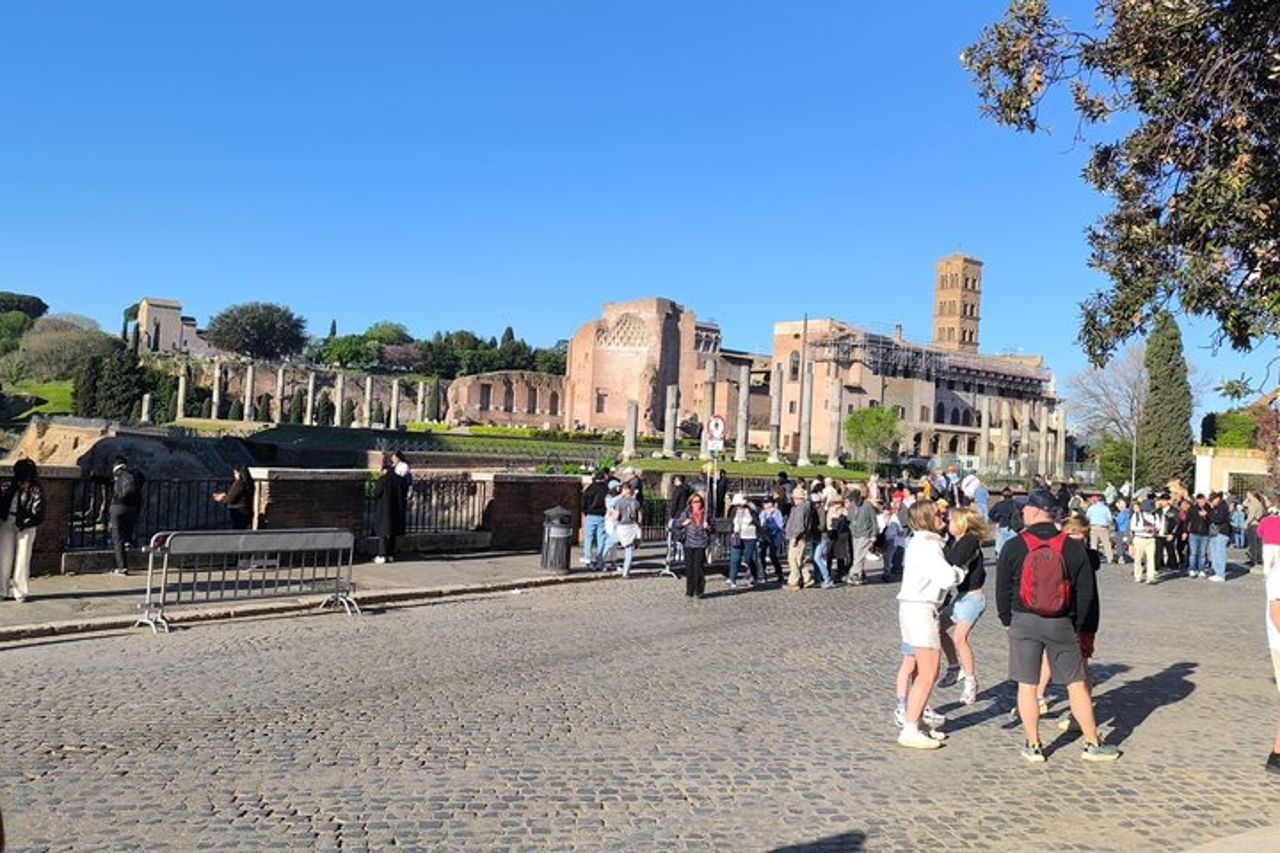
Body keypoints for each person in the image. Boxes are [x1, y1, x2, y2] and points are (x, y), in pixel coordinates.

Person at [996, 488, 1120, 763]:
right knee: (1076, 685)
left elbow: (1002, 588)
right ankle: (1091, 743)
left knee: (1027, 686)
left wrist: (1007, 620)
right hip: (1062, 622)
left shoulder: (1014, 545)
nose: (1023, 511)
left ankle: (1033, 744)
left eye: (1026, 507)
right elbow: (1086, 593)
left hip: (1023, 621)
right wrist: (1080, 626)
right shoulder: (1072, 548)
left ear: (1035, 511)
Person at [895, 502, 967, 750]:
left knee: (919, 670)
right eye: (937, 514)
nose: (943, 517)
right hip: (921, 607)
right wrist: (960, 571)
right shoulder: (928, 545)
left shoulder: (919, 542)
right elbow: (946, 577)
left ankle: (917, 722)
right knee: (929, 670)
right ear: (927, 518)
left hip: (914, 606)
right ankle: (911, 726)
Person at [1054, 516, 1102, 733]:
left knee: (1079, 670)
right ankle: (1079, 712)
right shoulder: (1080, 554)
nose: (1072, 536)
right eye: (1068, 532)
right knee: (1078, 669)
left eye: (1076, 531)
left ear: (1084, 534)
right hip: (1077, 618)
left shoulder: (1080, 556)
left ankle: (1079, 716)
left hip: (1081, 620)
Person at [938, 506, 989, 706]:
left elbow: (955, 560)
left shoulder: (970, 540)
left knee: (960, 638)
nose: (947, 523)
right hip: (960, 596)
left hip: (973, 597)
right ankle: (954, 666)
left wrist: (940, 545)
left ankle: (970, 682)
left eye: (950, 520)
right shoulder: (955, 540)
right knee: (938, 628)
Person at [0, 459, 45, 603]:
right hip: (8, 521)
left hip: (26, 525)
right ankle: (2, 590)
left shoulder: (36, 489)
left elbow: (38, 512)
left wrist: (25, 522)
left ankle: (20, 591)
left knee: (23, 558)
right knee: (4, 557)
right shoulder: (10, 486)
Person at [108, 455, 144, 576]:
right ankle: (130, 541)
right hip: (133, 508)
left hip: (118, 507)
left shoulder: (117, 475)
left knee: (118, 539)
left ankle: (122, 568)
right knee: (127, 533)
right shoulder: (134, 474)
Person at [675, 492, 712, 598]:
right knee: (689, 567)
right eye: (695, 502)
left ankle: (698, 589)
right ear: (690, 503)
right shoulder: (686, 513)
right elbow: (677, 524)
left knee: (698, 567)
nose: (697, 504)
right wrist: (683, 523)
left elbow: (713, 528)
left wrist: (708, 527)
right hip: (689, 543)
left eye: (699, 502)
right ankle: (689, 589)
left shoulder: (705, 514)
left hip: (701, 543)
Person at [370, 456, 406, 564]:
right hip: (396, 509)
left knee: (383, 533)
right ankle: (390, 554)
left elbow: (376, 493)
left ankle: (381, 555)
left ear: (384, 470)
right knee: (392, 533)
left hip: (384, 509)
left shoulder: (383, 479)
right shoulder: (400, 480)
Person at [726, 493, 762, 589]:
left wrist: (758, 534)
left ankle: (754, 576)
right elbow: (731, 521)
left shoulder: (751, 510)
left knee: (748, 558)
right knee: (735, 558)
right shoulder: (734, 510)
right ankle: (732, 578)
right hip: (737, 536)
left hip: (750, 536)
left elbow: (757, 523)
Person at [784, 485, 816, 590]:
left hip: (798, 538)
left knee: (793, 560)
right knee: (799, 559)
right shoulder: (806, 507)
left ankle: (794, 582)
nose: (793, 500)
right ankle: (807, 578)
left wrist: (794, 537)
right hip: (802, 537)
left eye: (794, 498)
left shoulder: (800, 509)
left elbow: (799, 525)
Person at [847, 487, 878, 585]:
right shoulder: (851, 506)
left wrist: (874, 533)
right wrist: (851, 528)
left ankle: (852, 574)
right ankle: (860, 575)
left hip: (865, 533)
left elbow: (874, 520)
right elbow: (850, 519)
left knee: (859, 555)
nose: (853, 501)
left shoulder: (867, 505)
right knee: (857, 555)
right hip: (855, 533)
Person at [612, 483, 643, 577]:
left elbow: (616, 516)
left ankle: (602, 563)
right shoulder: (635, 501)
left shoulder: (619, 502)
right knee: (629, 549)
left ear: (623, 490)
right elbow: (640, 514)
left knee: (610, 542)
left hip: (622, 526)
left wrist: (612, 517)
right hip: (632, 525)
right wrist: (639, 524)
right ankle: (626, 571)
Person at [811, 498, 843, 590]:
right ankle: (820, 578)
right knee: (818, 558)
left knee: (817, 558)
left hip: (822, 536)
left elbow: (822, 526)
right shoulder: (817, 510)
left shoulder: (821, 511)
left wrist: (812, 528)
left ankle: (827, 579)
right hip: (818, 536)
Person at [581, 472, 610, 570]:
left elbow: (583, 502)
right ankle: (600, 558)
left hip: (590, 514)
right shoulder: (606, 489)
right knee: (601, 538)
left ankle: (587, 557)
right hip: (602, 515)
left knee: (588, 537)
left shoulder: (590, 488)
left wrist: (586, 512)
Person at [213, 466, 254, 530]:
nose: (235, 475)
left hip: (239, 509)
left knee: (238, 529)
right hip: (246, 508)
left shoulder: (239, 483)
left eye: (235, 473)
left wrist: (223, 498)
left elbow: (231, 497)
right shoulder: (248, 483)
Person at [1129, 499, 1160, 584]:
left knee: (1151, 558)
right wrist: (1143, 528)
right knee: (1138, 558)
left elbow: (1158, 526)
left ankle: (1150, 577)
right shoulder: (1137, 515)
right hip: (1139, 538)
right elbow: (1132, 527)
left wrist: (1154, 529)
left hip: (1151, 539)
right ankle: (1138, 576)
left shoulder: (1155, 515)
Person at [758, 497, 786, 584]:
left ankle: (779, 573)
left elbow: (780, 525)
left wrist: (769, 526)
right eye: (764, 503)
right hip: (764, 536)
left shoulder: (777, 512)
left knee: (773, 556)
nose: (766, 505)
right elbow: (760, 523)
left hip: (774, 537)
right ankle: (763, 574)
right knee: (761, 554)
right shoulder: (762, 513)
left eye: (768, 503)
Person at [988, 488, 1023, 557]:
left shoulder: (999, 504)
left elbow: (990, 514)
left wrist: (996, 519)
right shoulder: (1016, 504)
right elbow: (1022, 513)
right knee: (1013, 548)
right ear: (1012, 495)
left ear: (1002, 495)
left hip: (1002, 527)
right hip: (1014, 528)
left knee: (1000, 549)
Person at [1208, 492, 1232, 582]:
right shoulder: (1215, 507)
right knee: (1214, 552)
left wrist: (1209, 514)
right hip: (1214, 532)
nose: (1211, 502)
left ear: (1217, 499)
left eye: (1212, 500)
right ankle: (1216, 571)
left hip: (1222, 532)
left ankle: (1220, 573)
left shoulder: (1223, 507)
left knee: (1219, 552)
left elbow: (1218, 519)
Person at [1084, 495, 1115, 564]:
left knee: (1094, 544)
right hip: (1103, 527)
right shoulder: (1105, 508)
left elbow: (1087, 517)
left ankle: (1093, 559)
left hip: (1094, 527)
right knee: (1106, 544)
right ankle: (1110, 558)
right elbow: (1110, 519)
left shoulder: (1091, 508)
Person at [1187, 494, 1211, 577]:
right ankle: (1192, 569)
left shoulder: (1209, 509)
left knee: (1202, 553)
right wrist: (1186, 531)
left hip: (1205, 534)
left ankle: (1201, 569)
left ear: (1205, 500)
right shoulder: (1192, 509)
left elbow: (1211, 521)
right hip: (1193, 533)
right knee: (1193, 553)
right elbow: (1187, 520)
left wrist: (1206, 516)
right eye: (1199, 501)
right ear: (1197, 501)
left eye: (1203, 501)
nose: (1201, 503)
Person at [1244, 490, 1266, 567]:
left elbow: (1251, 515)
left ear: (1251, 494)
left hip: (1253, 524)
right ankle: (1259, 559)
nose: (1246, 496)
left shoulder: (1253, 503)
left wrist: (1246, 523)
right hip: (1259, 524)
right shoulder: (1259, 502)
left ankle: (1253, 560)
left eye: (1247, 494)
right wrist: (1248, 499)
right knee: (1259, 543)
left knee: (1252, 543)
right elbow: (1244, 504)